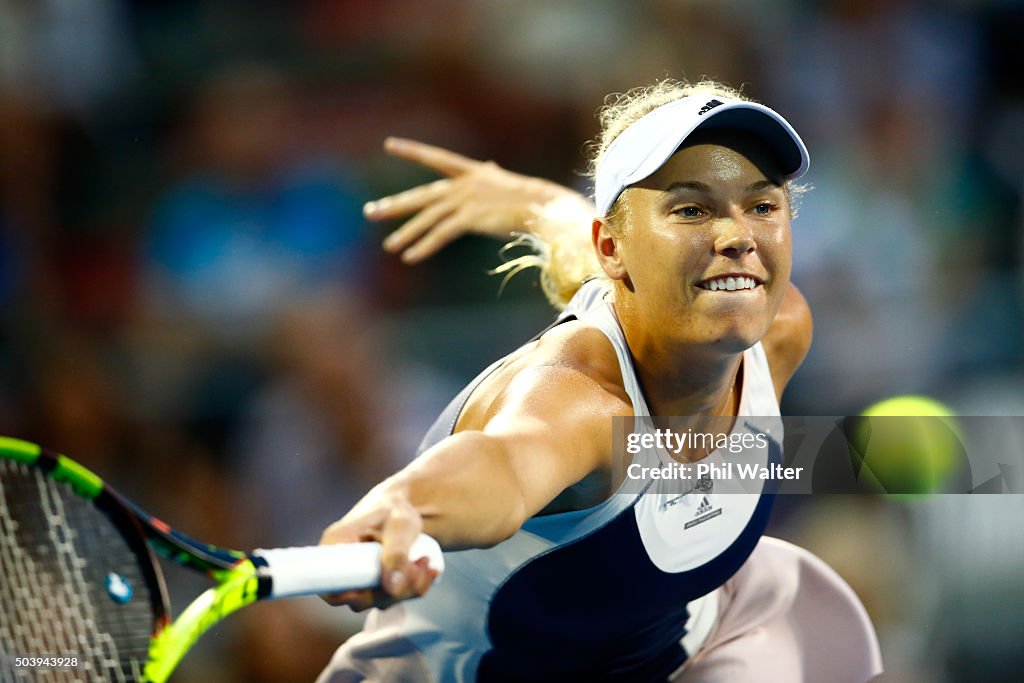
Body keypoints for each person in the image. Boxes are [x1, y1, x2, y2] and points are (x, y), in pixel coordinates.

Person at [315, 79, 883, 682]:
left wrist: (533, 202)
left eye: (763, 205)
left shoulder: (779, 327)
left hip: (692, 646)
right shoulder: (576, 399)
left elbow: (587, 244)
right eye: (692, 209)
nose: (739, 236)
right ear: (614, 248)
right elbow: (501, 465)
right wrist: (401, 510)